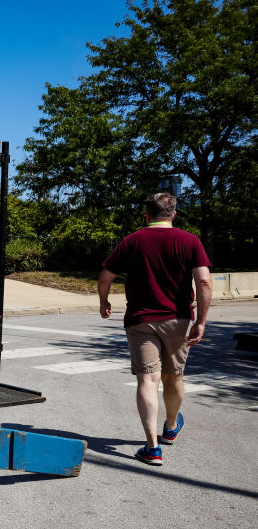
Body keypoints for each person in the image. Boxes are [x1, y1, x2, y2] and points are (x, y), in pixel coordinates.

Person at [98, 193, 212, 467]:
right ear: (173, 214)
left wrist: (104, 301)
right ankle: (170, 428)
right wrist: (201, 322)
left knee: (147, 381)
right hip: (179, 318)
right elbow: (204, 283)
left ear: (147, 215)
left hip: (141, 320)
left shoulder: (132, 240)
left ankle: (152, 447)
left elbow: (105, 277)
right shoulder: (190, 241)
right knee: (173, 377)